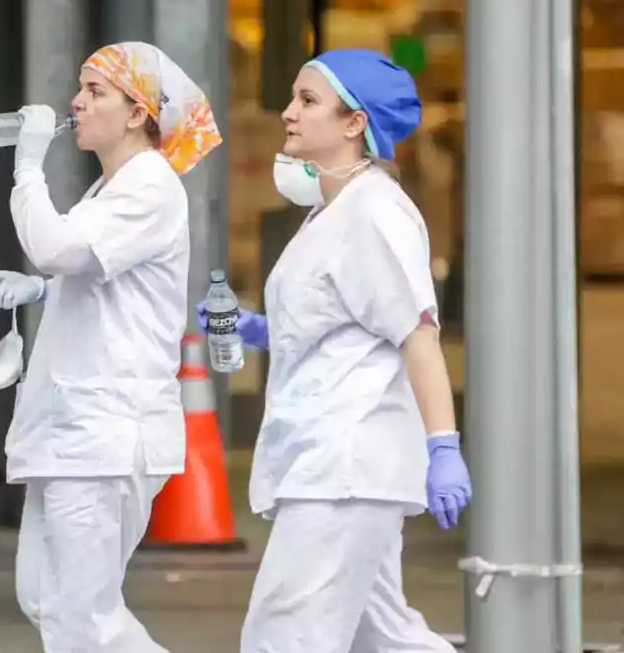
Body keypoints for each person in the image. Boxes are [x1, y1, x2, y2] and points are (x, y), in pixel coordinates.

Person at [197, 48, 472, 653]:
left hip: (344, 465)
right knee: (388, 638)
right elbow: (343, 318)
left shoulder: (374, 213)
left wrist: (443, 447)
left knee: (283, 637)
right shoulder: (333, 209)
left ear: (355, 124)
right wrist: (260, 330)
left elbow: (415, 335)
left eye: (308, 100)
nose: (288, 113)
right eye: (294, 97)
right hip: (333, 460)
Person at [0, 42, 223, 653]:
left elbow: (57, 247)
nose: (76, 103)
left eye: (95, 92)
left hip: (105, 434)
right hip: (75, 431)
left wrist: (27, 166)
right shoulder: (110, 190)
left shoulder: (149, 187)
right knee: (47, 600)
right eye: (80, 88)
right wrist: (39, 291)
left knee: (82, 616)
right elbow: (91, 274)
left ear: (138, 113)